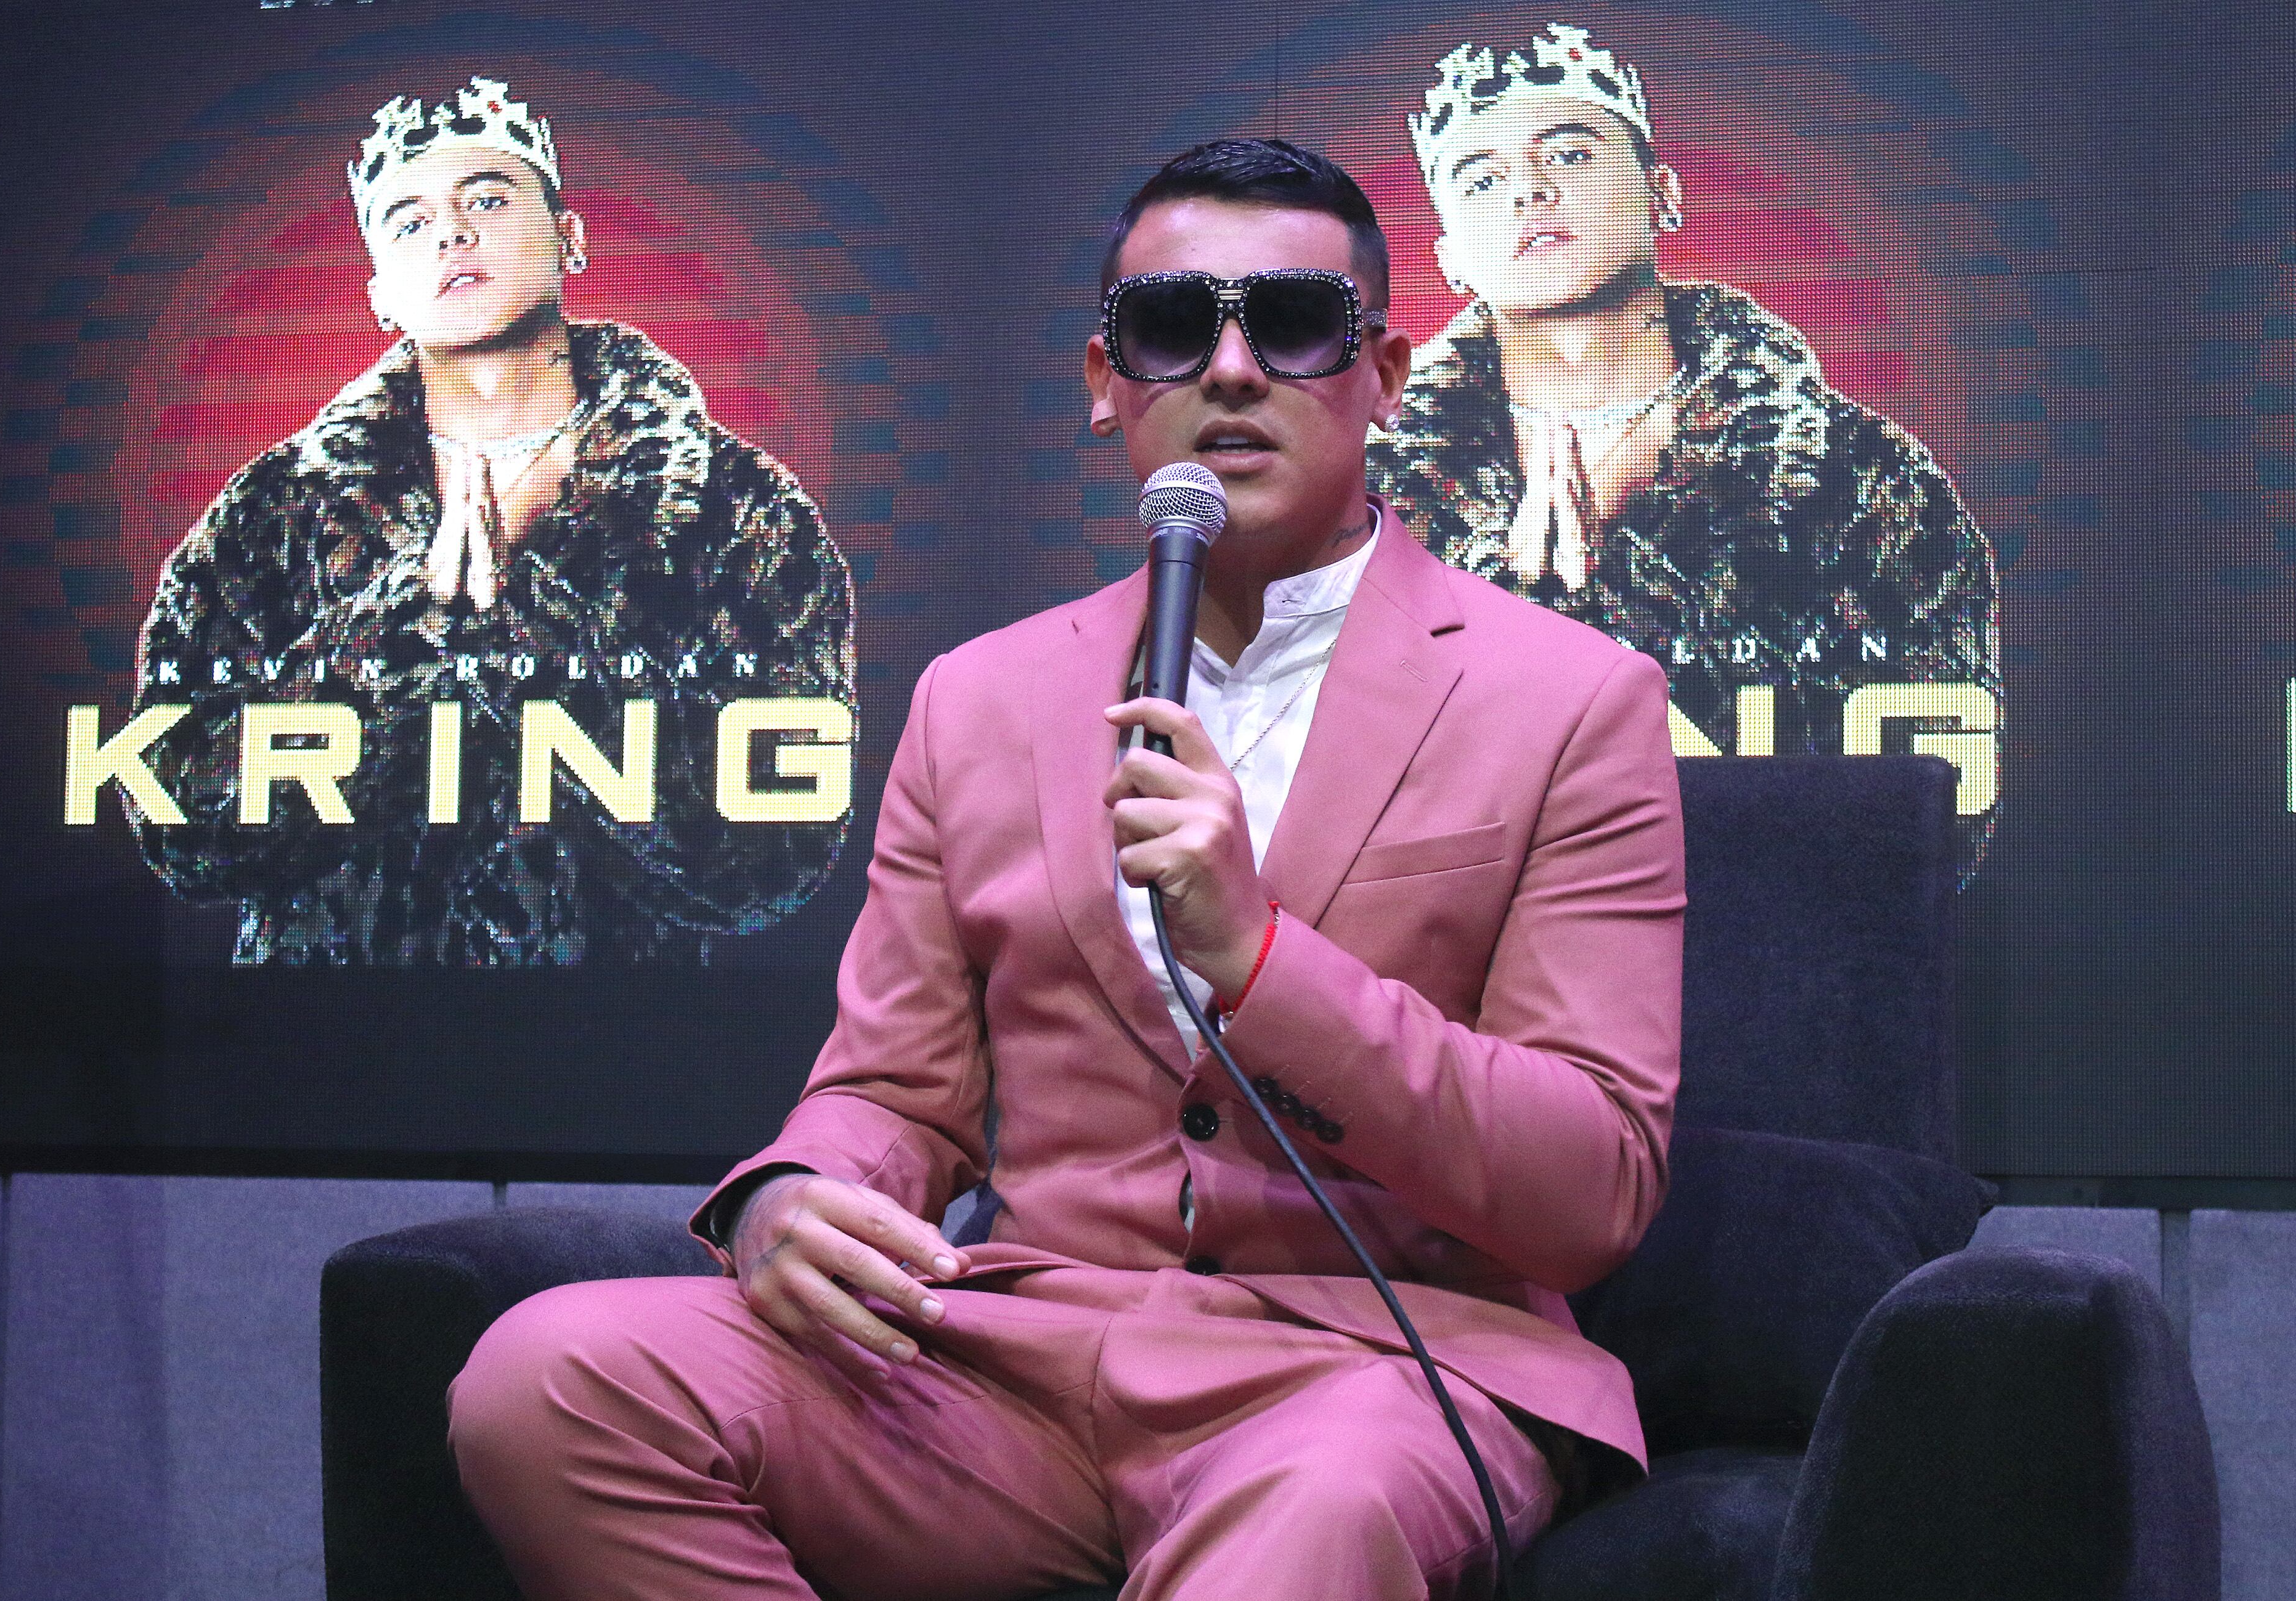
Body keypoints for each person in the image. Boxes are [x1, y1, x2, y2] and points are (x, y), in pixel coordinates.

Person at [448, 139, 1682, 1598]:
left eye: (1294, 325)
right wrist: (794, 1192)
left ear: (1383, 378)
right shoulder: (981, 697)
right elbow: (892, 1094)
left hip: (1371, 1373)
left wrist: (1259, 959)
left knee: (1318, 1515)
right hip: (1009, 1361)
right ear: (1107, 383)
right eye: (1172, 329)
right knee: (549, 1378)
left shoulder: (1568, 700)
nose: (1232, 371)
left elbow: (1588, 1190)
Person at [128, 78, 854, 963]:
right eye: (409, 222)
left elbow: (778, 855)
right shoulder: (272, 516)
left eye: (487, 199)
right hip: (319, 1026)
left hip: (631, 1030)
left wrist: (538, 634)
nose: (451, 233)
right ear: (380, 294)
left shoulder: (737, 507)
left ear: (570, 238)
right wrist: (399, 633)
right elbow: (179, 830)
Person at [1370, 24, 2001, 870]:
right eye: (1482, 180)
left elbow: (1939, 808)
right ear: (1449, 255)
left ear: (1661, 191)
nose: (1529, 192)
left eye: (1570, 154)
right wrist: (1511, 618)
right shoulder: (1368, 498)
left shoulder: (1858, 474)